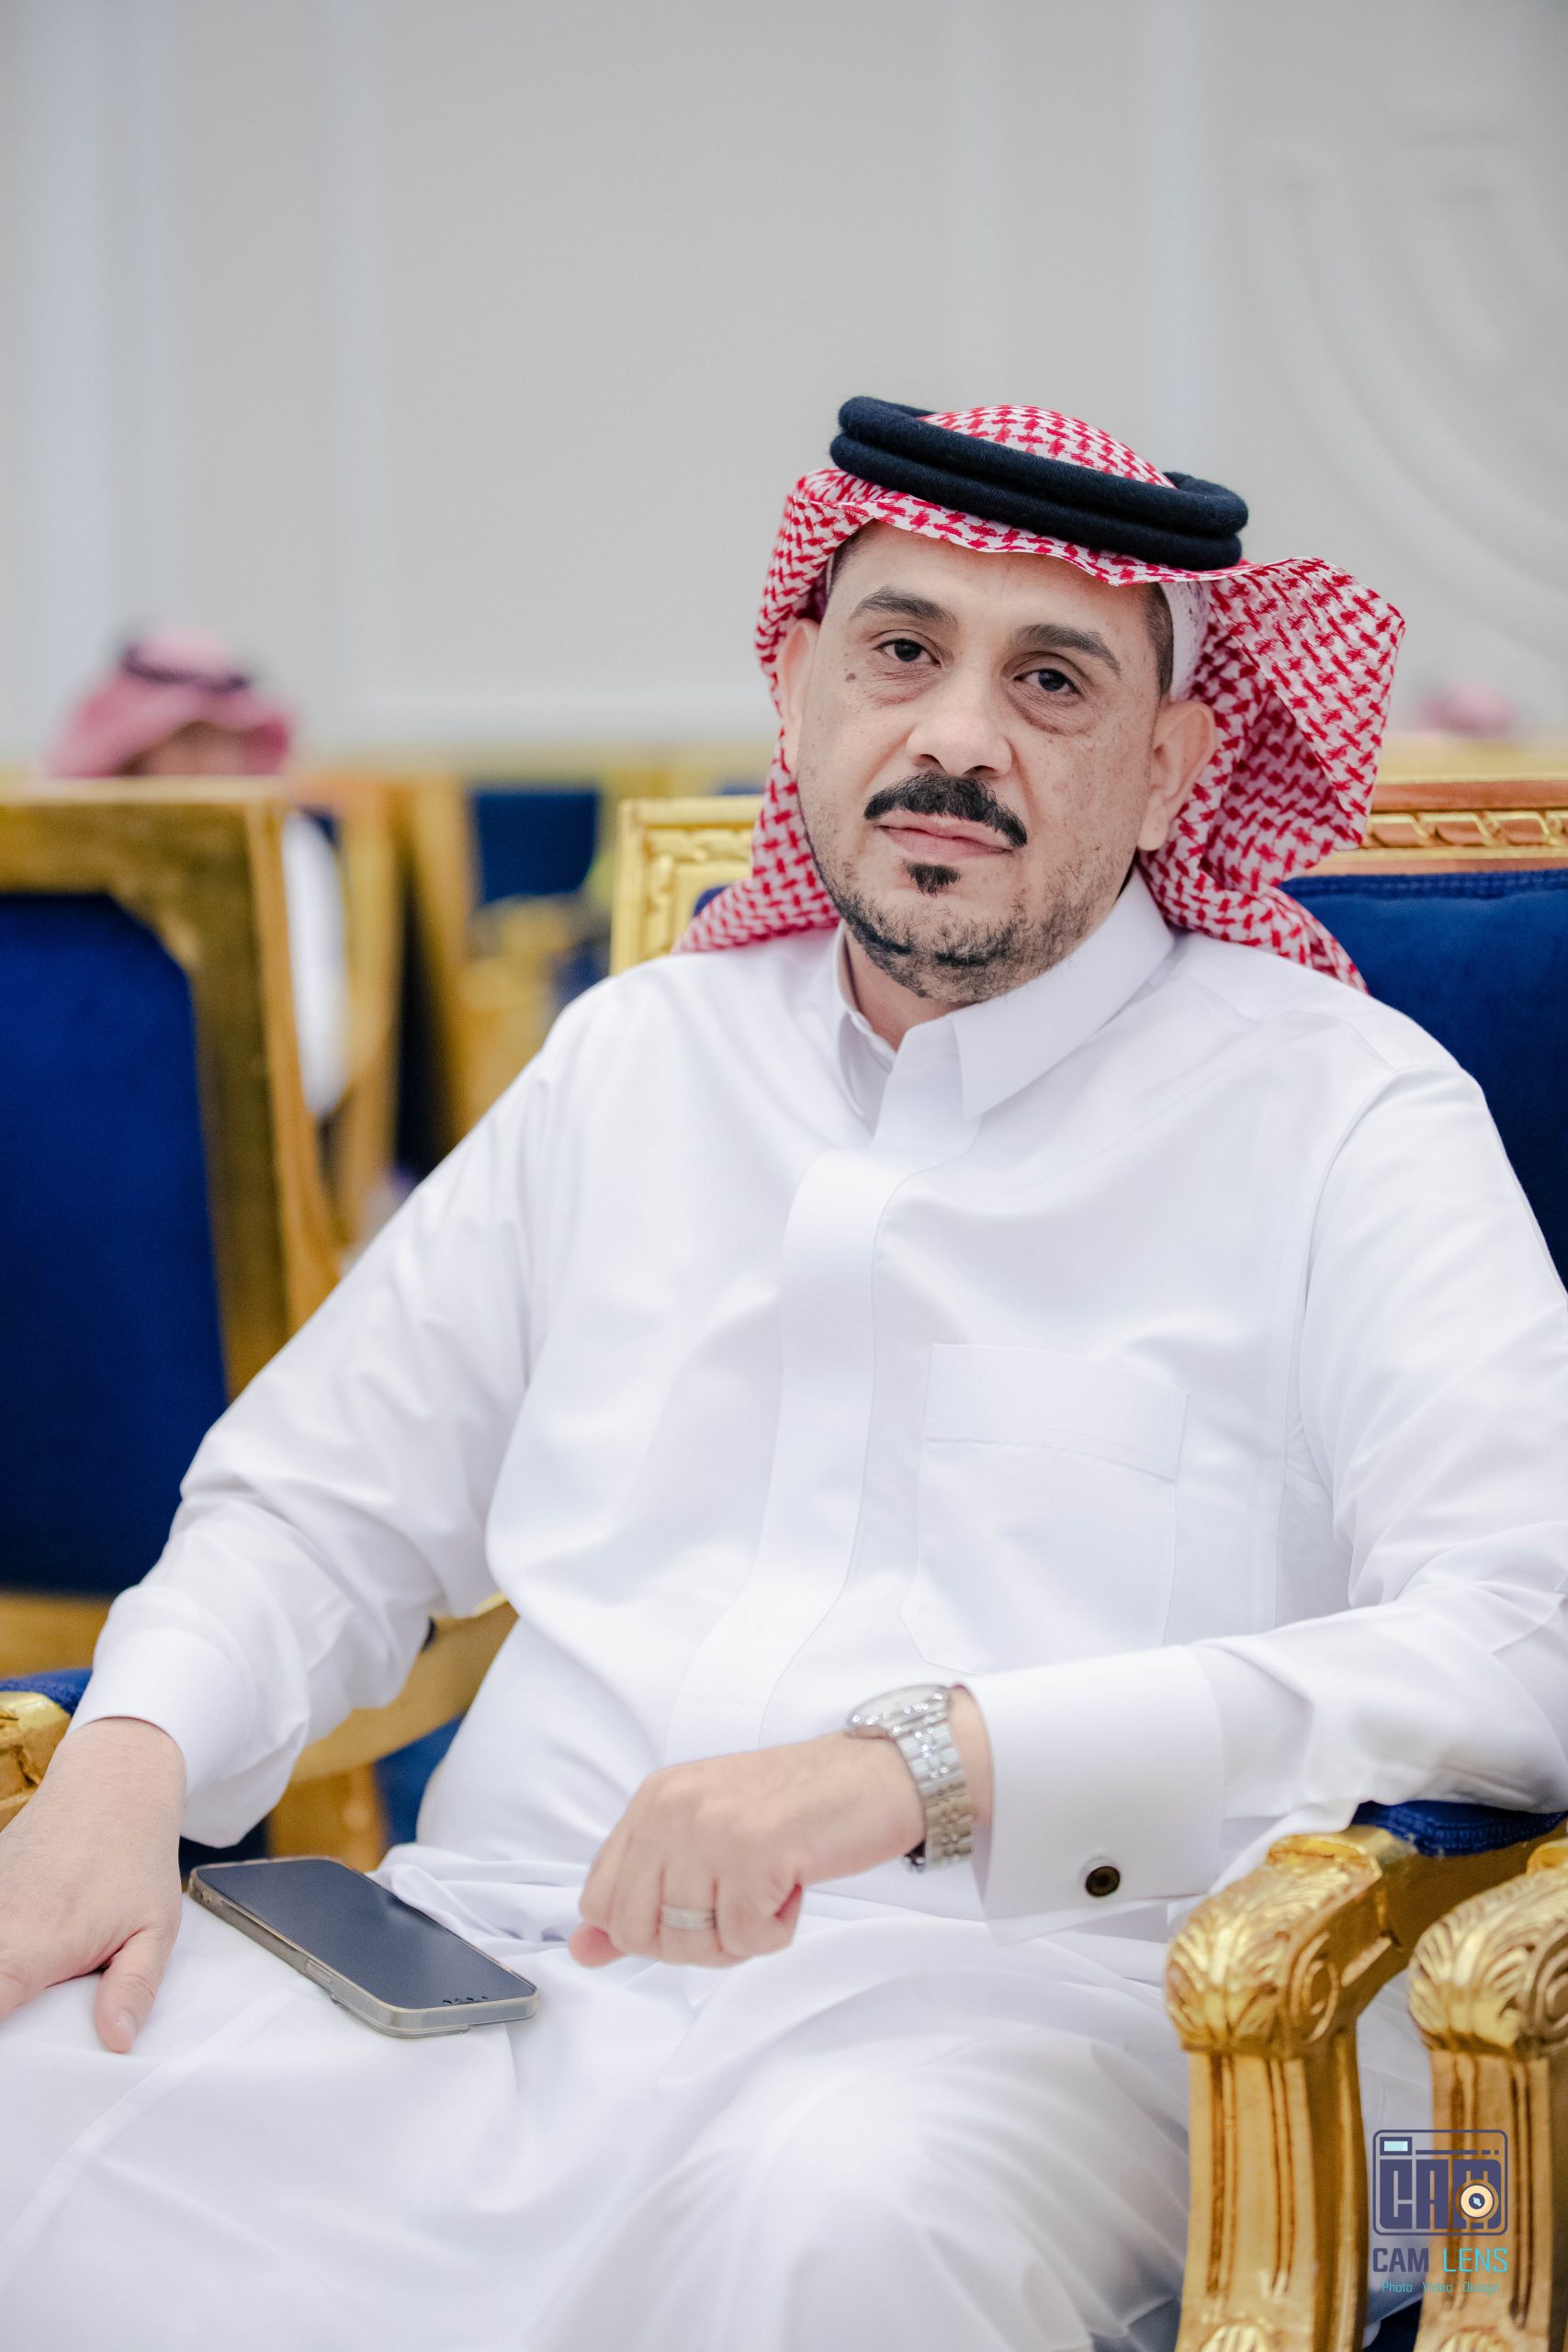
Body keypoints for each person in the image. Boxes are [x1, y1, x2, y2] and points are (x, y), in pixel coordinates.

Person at [2, 399, 1566, 2351]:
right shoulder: (638, 1057)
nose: (955, 737)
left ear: (1175, 765)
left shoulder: (1342, 1115)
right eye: (899, 650)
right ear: (798, 688)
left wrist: (923, 1768)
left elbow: (1520, 1636)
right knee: (42, 2088)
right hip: (500, 1969)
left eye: (1051, 680)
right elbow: (317, 1504)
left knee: (836, 2222)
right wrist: (130, 1762)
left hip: (1029, 2019)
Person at [42, 627, 348, 1117]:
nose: (212, 762)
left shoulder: (288, 849)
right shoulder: (60, 847)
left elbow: (315, 1056)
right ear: (132, 750)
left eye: (228, 740)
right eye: (188, 738)